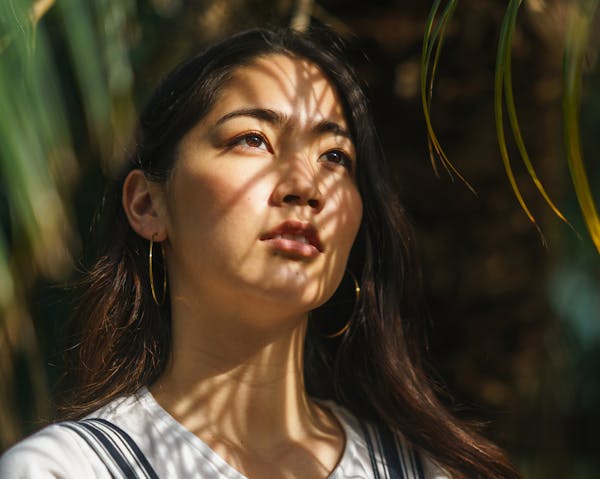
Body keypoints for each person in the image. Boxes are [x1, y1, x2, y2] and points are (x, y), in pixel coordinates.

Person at [0, 27, 520, 478]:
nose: (305, 184)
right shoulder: (66, 470)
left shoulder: (424, 471)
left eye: (335, 156)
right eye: (253, 139)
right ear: (147, 204)